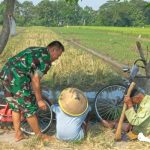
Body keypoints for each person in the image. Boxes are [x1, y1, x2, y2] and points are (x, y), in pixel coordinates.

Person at [0, 41, 64, 142]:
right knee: (29, 108)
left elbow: (28, 70)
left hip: (5, 73)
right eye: (58, 55)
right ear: (53, 50)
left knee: (15, 106)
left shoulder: (36, 49)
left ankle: (18, 134)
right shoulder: (46, 60)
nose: (57, 58)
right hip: (17, 78)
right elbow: (35, 80)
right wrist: (39, 100)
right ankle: (40, 136)